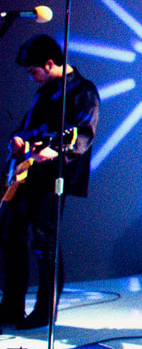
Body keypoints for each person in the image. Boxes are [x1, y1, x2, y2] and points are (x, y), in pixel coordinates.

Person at [0, 34, 99, 329]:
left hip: (53, 177)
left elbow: (83, 135)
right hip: (27, 175)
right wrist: (18, 140)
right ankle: (11, 307)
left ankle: (45, 310)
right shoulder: (44, 92)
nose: (31, 77)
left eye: (34, 71)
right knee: (10, 237)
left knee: (45, 242)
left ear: (49, 63)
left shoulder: (83, 91)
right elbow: (28, 128)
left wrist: (56, 150)